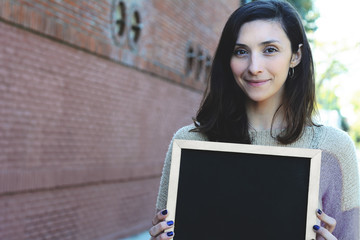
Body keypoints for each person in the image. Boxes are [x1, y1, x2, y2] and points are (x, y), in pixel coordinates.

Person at [149, 1, 360, 239]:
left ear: (296, 55)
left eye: (269, 49)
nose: (254, 67)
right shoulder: (188, 144)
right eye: (241, 51)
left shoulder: (333, 149)